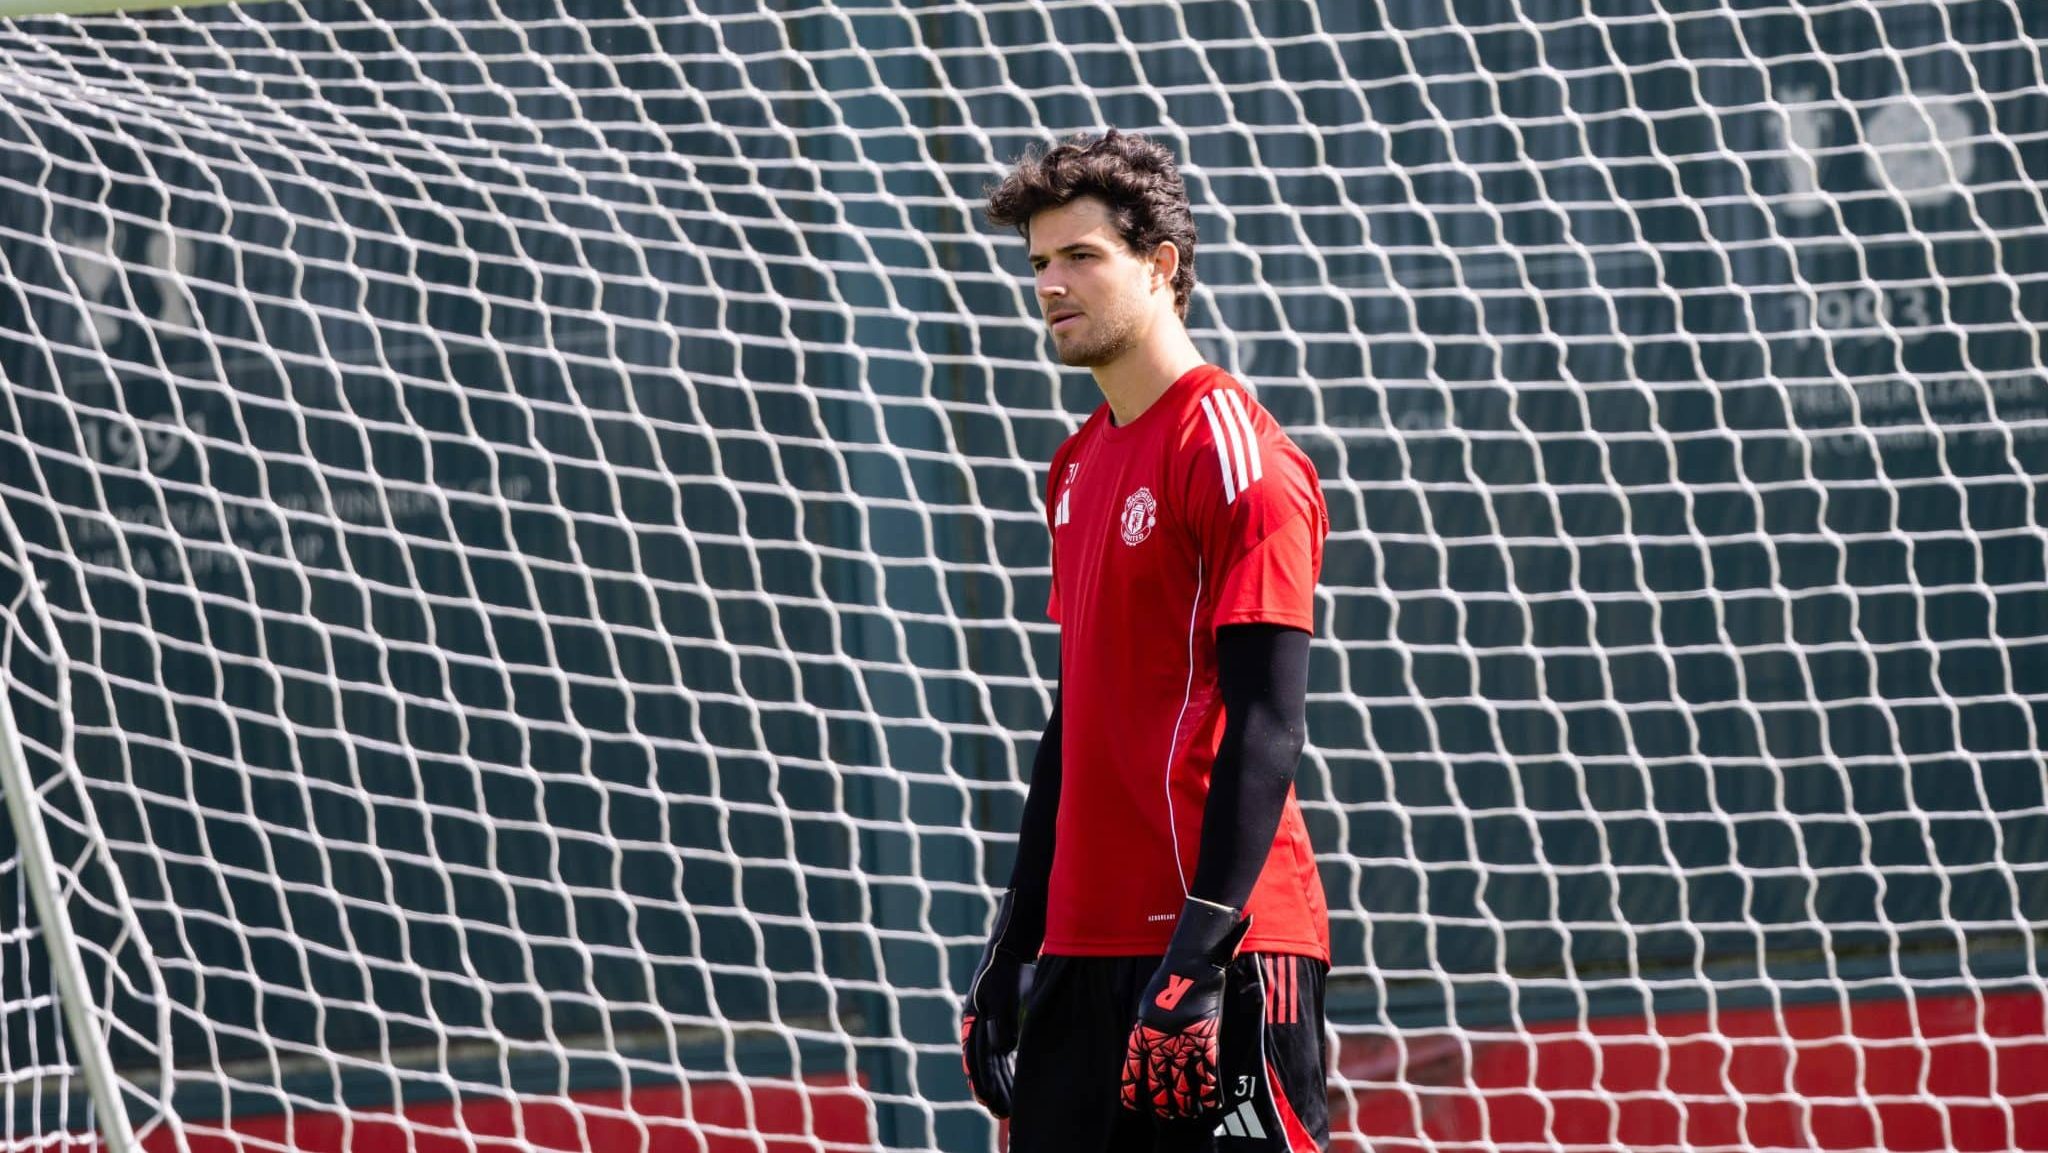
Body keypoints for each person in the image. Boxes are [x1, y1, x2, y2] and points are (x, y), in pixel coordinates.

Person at [960, 129, 1332, 1152]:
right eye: (1036, 262)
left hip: (1222, 950)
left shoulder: (1231, 451)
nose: (1049, 283)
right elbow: (1077, 719)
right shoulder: (1074, 466)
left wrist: (1198, 955)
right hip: (1081, 952)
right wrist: (1017, 935)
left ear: (1160, 265)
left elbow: (1266, 721)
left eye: (1079, 256)